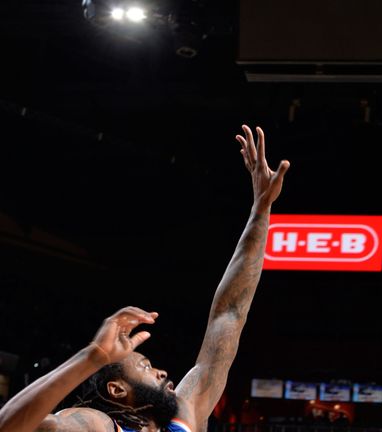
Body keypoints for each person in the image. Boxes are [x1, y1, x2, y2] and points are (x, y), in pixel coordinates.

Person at [0, 124, 290, 432]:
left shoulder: (185, 414)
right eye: (145, 367)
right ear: (117, 390)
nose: (162, 372)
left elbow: (230, 314)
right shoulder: (95, 424)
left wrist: (261, 210)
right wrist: (92, 357)